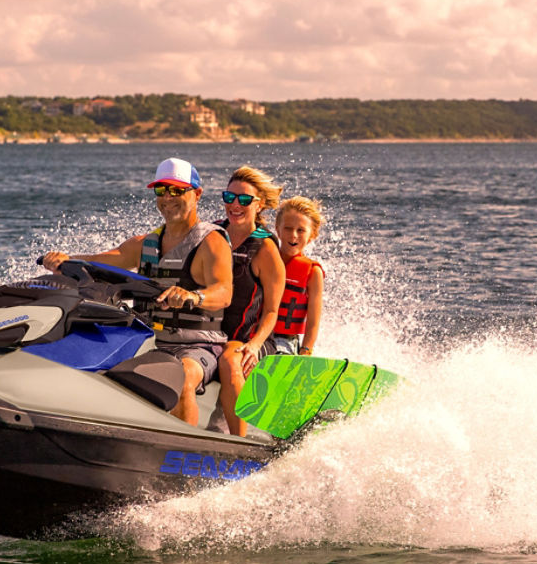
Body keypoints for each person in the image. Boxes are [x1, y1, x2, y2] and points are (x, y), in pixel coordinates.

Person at [40, 158, 231, 427]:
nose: (168, 198)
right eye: (161, 190)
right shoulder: (146, 243)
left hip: (197, 345)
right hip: (151, 340)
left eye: (177, 190)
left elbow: (223, 293)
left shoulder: (212, 241)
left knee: (182, 378)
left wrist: (193, 296)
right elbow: (103, 260)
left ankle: (182, 450)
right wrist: (64, 261)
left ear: (197, 194)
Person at [212, 166, 285, 436]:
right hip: (207, 335)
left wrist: (254, 346)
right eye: (229, 197)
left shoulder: (265, 249)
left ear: (259, 205)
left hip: (252, 340)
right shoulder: (212, 234)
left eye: (244, 200)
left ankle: (238, 443)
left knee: (232, 360)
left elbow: (272, 311)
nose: (235, 205)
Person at [269, 196, 326, 356]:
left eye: (300, 230)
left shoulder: (313, 272)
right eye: (288, 228)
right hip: (254, 334)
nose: (293, 235)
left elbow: (313, 321)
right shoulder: (264, 259)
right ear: (277, 229)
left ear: (312, 235)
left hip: (285, 340)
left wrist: (306, 351)